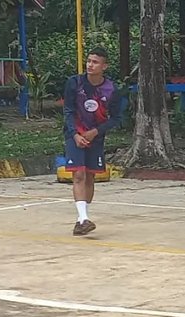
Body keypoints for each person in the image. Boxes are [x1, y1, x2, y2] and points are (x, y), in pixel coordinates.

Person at [62, 48, 122, 236]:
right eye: (88, 61)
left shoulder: (111, 89)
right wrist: (75, 134)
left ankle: (82, 220)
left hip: (95, 137)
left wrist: (96, 132)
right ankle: (83, 219)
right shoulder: (74, 83)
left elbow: (116, 118)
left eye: (95, 62)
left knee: (89, 177)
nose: (90, 65)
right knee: (78, 174)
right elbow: (68, 111)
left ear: (104, 66)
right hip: (75, 135)